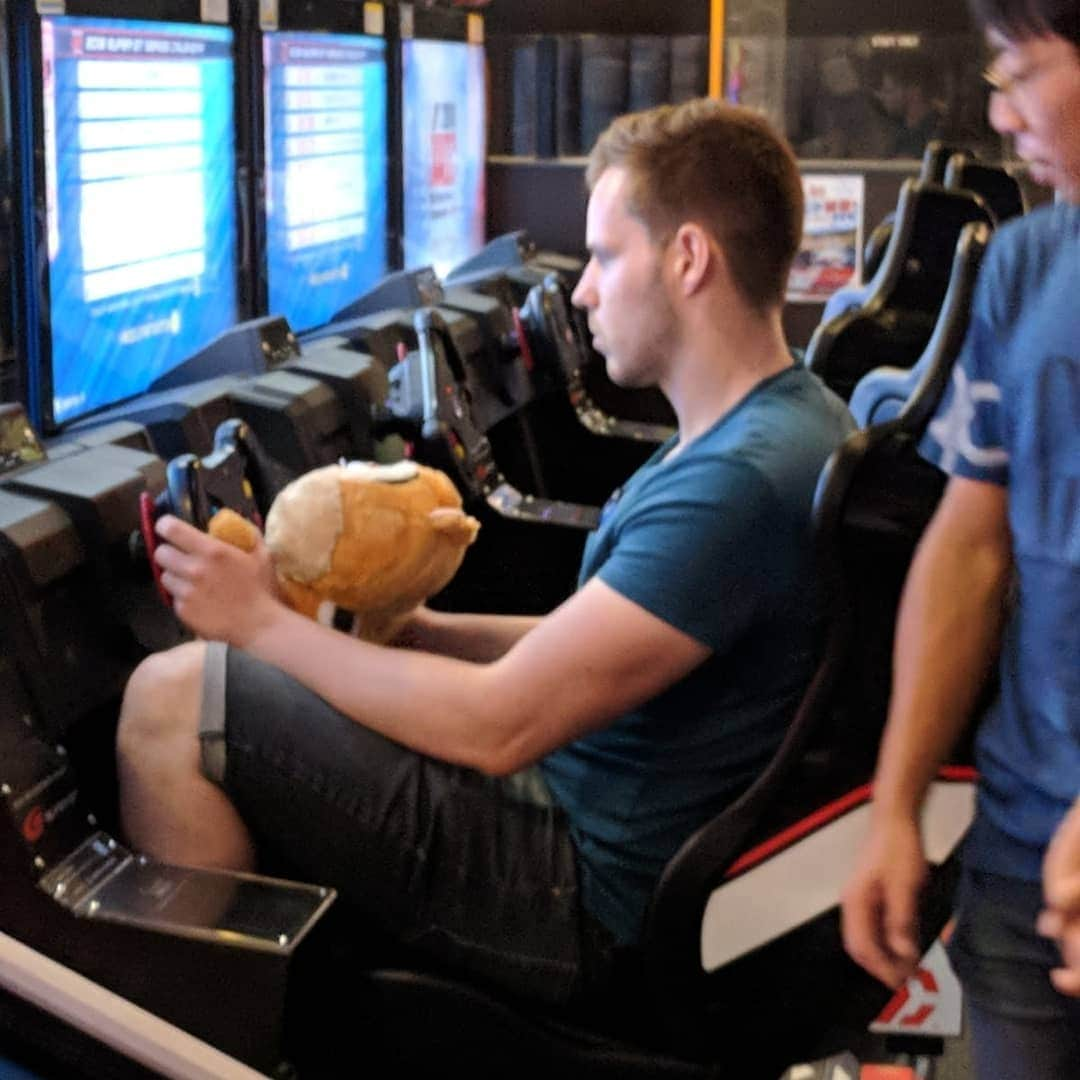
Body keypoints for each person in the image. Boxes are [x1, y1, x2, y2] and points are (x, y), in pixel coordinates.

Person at [116, 99, 852, 1006]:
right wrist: (422, 632)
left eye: (607, 257)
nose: (582, 290)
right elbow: (579, 651)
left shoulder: (738, 484)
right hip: (599, 838)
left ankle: (208, 1044)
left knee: (171, 698)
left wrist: (261, 625)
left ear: (690, 258)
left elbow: (500, 726)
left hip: (585, 901)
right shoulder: (782, 424)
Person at [840, 0, 1080, 1075]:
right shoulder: (1027, 265)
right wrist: (896, 806)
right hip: (1024, 852)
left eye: (1021, 71)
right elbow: (970, 546)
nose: (1001, 110)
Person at [875, 51, 944, 159]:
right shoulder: (901, 131)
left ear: (914, 91)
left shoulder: (936, 136)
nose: (882, 97)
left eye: (888, 91)